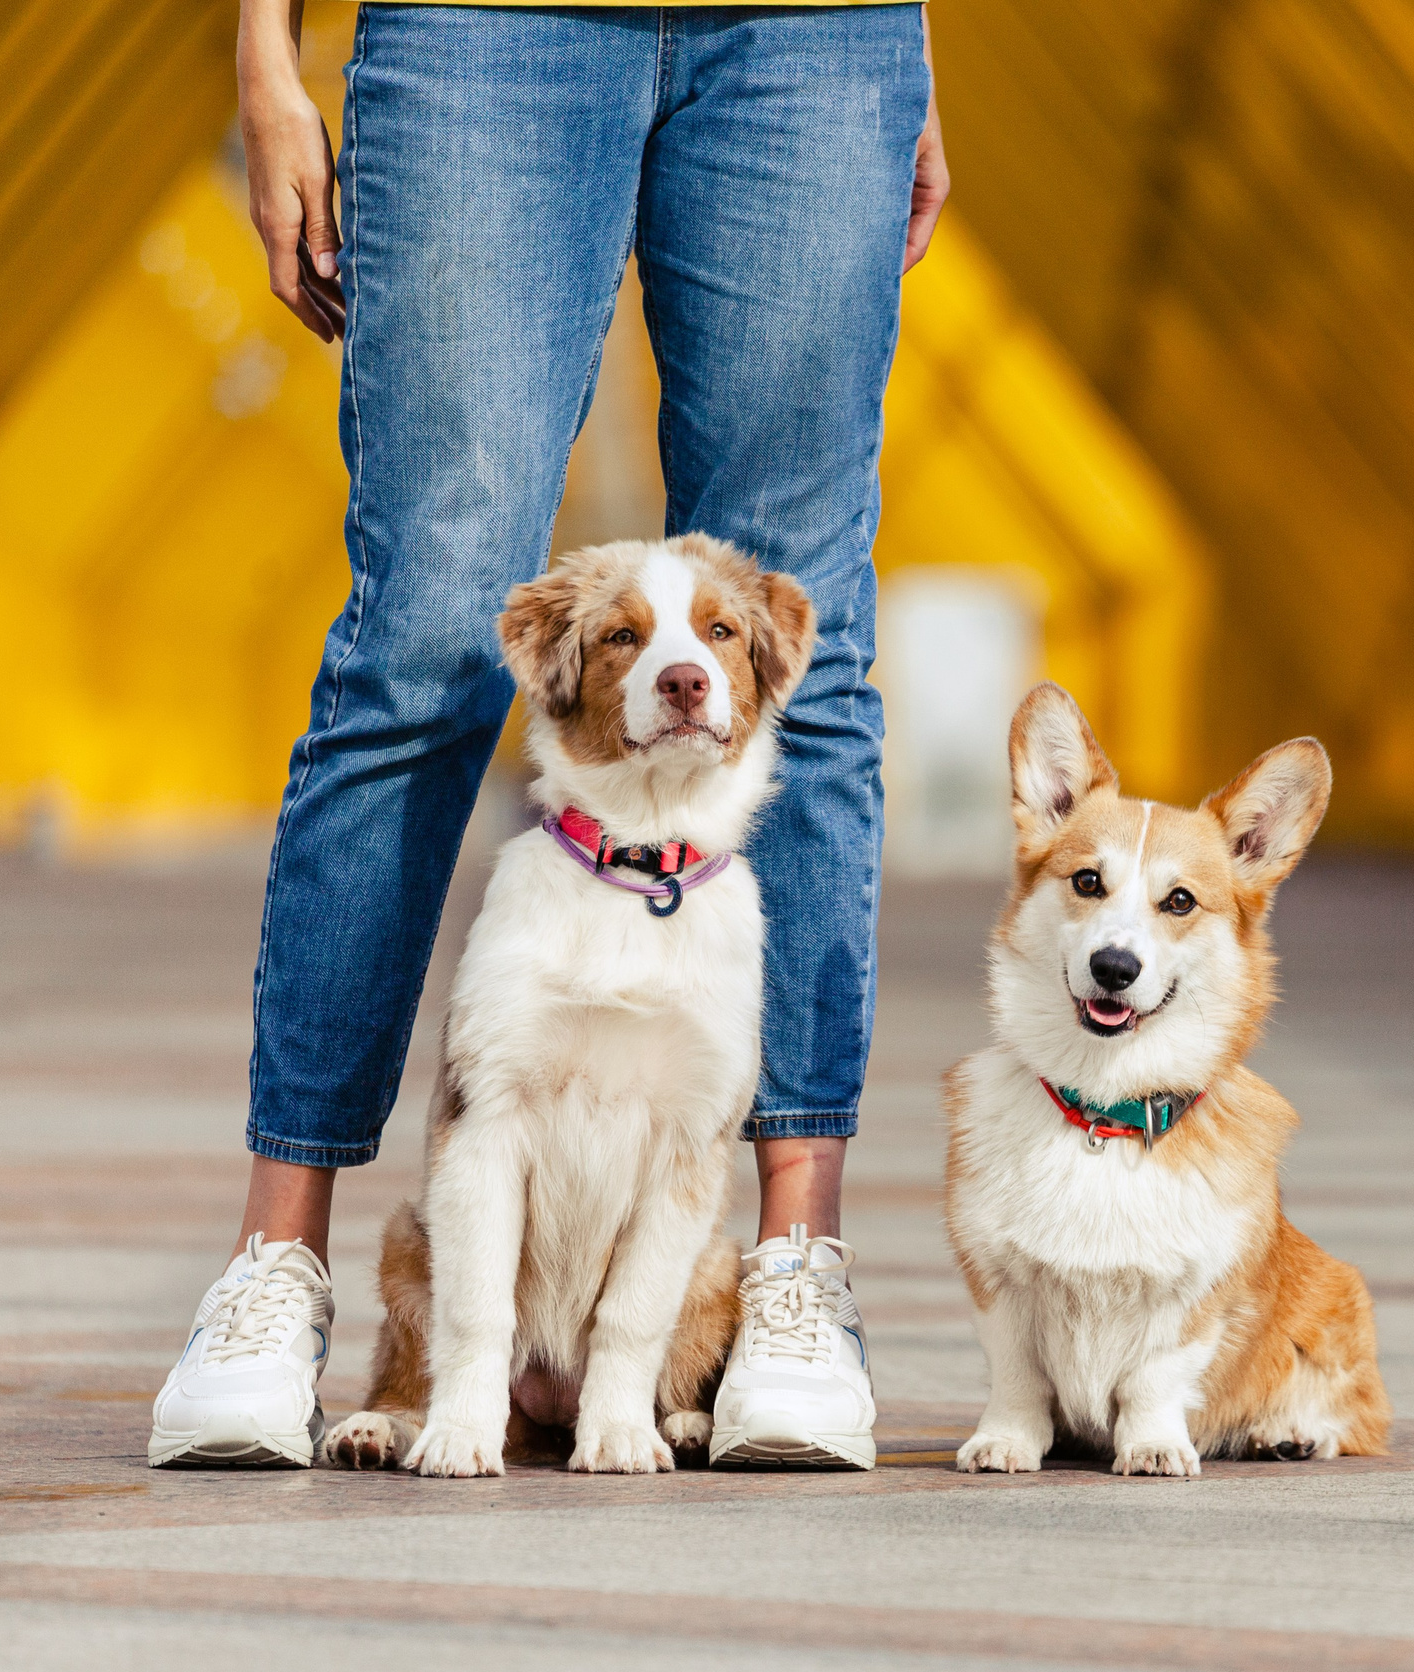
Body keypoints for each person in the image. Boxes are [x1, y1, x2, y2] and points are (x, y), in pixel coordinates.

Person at [148, 0, 948, 1471]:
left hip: (820, 37)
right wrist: (265, 54)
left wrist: (908, 59)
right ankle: (277, 1268)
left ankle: (791, 1272)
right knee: (419, 643)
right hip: (485, 30)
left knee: (812, 659)